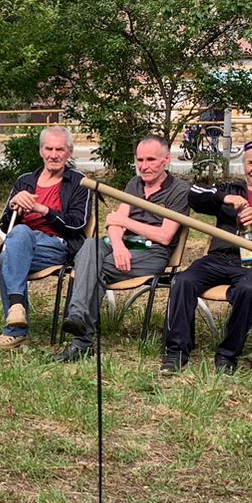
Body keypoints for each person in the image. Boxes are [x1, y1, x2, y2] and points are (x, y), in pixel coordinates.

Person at [160, 138, 252, 374]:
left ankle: (227, 355)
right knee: (183, 281)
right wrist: (222, 198)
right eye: (250, 163)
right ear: (244, 164)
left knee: (248, 291)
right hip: (218, 258)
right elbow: (193, 195)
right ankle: (176, 352)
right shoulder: (231, 188)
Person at [53, 136, 194, 362]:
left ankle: (82, 339)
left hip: (153, 251)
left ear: (166, 160)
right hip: (124, 245)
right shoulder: (134, 184)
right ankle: (78, 315)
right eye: (140, 160)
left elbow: (165, 236)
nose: (144, 166)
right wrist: (118, 244)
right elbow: (114, 223)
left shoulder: (179, 190)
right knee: (89, 246)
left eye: (151, 160)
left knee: (92, 268)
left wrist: (124, 223)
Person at [0, 126, 90, 350]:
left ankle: (15, 330)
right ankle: (17, 314)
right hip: (22, 245)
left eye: (60, 149)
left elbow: (77, 224)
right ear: (41, 151)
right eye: (49, 148)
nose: (54, 154)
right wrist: (14, 208)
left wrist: (43, 210)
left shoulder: (79, 182)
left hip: (57, 245)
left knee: (11, 253)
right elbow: (6, 226)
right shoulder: (25, 181)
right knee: (19, 236)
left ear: (69, 152)